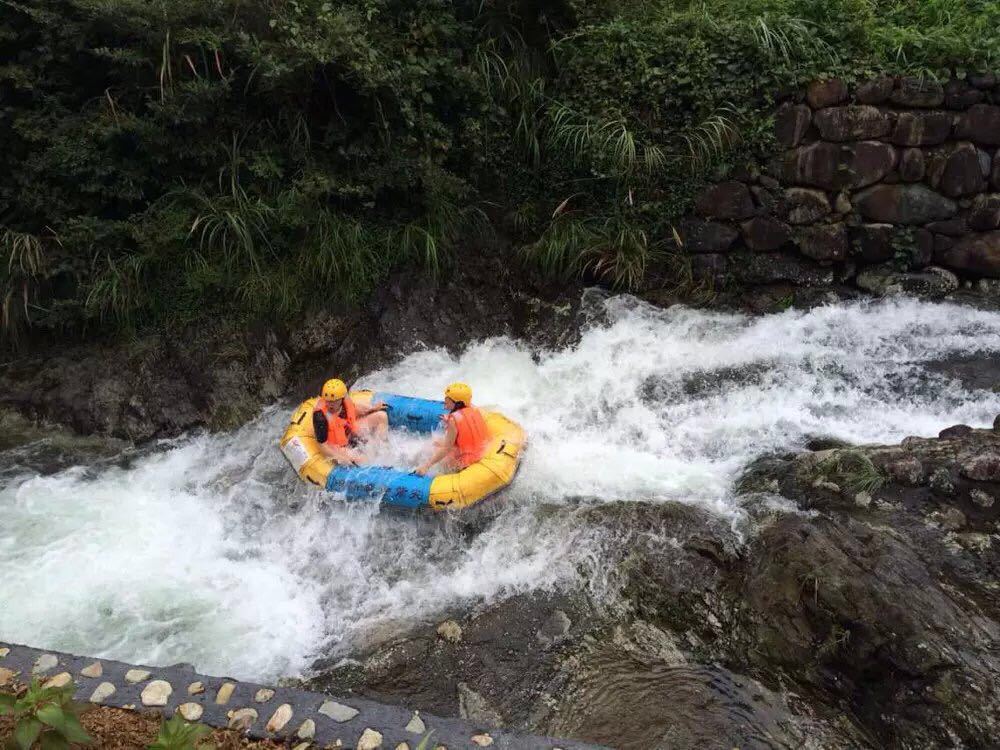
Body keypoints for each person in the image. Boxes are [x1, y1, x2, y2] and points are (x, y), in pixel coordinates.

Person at [415, 382, 489, 476]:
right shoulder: (473, 409)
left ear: (457, 403)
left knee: (433, 446)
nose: (445, 400)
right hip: (481, 453)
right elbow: (466, 425)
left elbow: (446, 449)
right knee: (438, 442)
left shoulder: (453, 420)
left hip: (466, 464)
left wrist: (426, 466)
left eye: (448, 398)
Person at [313, 378, 388, 465]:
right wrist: (340, 458)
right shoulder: (320, 416)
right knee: (363, 459)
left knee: (381, 416)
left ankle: (382, 448)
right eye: (328, 401)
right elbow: (322, 445)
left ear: (341, 399)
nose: (330, 404)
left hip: (351, 430)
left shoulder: (345, 401)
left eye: (334, 401)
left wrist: (372, 409)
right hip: (337, 445)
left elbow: (354, 410)